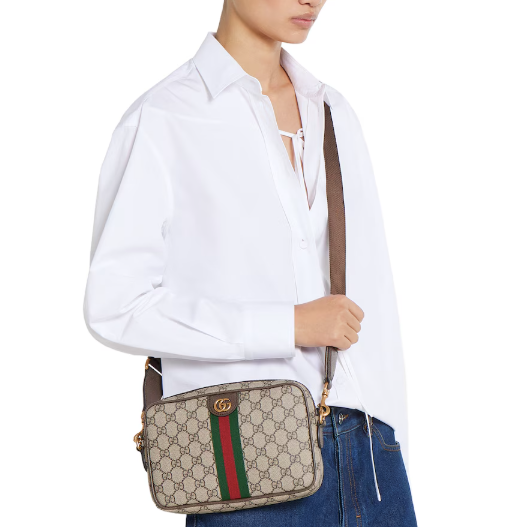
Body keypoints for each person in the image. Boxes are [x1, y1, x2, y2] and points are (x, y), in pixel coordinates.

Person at [83, 0, 418, 525]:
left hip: (372, 457)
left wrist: (393, 447)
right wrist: (287, 325)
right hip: (246, 463)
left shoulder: (333, 111)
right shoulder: (164, 118)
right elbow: (115, 304)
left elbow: (374, 295)